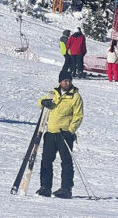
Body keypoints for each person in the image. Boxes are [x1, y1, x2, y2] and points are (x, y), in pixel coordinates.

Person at [36, 71, 84, 199]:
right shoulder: (53, 93)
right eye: (64, 81)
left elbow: (78, 116)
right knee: (46, 161)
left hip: (65, 134)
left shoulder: (75, 97)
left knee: (66, 162)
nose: (67, 83)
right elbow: (40, 102)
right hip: (51, 133)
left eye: (68, 81)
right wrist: (43, 103)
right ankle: (45, 187)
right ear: (60, 82)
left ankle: (66, 188)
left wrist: (71, 130)